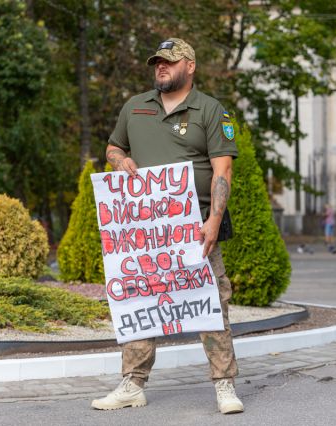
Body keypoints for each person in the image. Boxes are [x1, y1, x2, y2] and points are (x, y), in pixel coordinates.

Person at [91, 38, 243, 415]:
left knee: (211, 303)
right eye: (157, 62)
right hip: (145, 230)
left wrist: (214, 220)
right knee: (140, 298)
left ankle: (224, 386)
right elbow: (113, 148)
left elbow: (222, 169)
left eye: (170, 62)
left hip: (196, 228)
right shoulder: (135, 107)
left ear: (189, 66)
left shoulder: (210, 111)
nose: (161, 67)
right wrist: (119, 161)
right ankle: (132, 383)